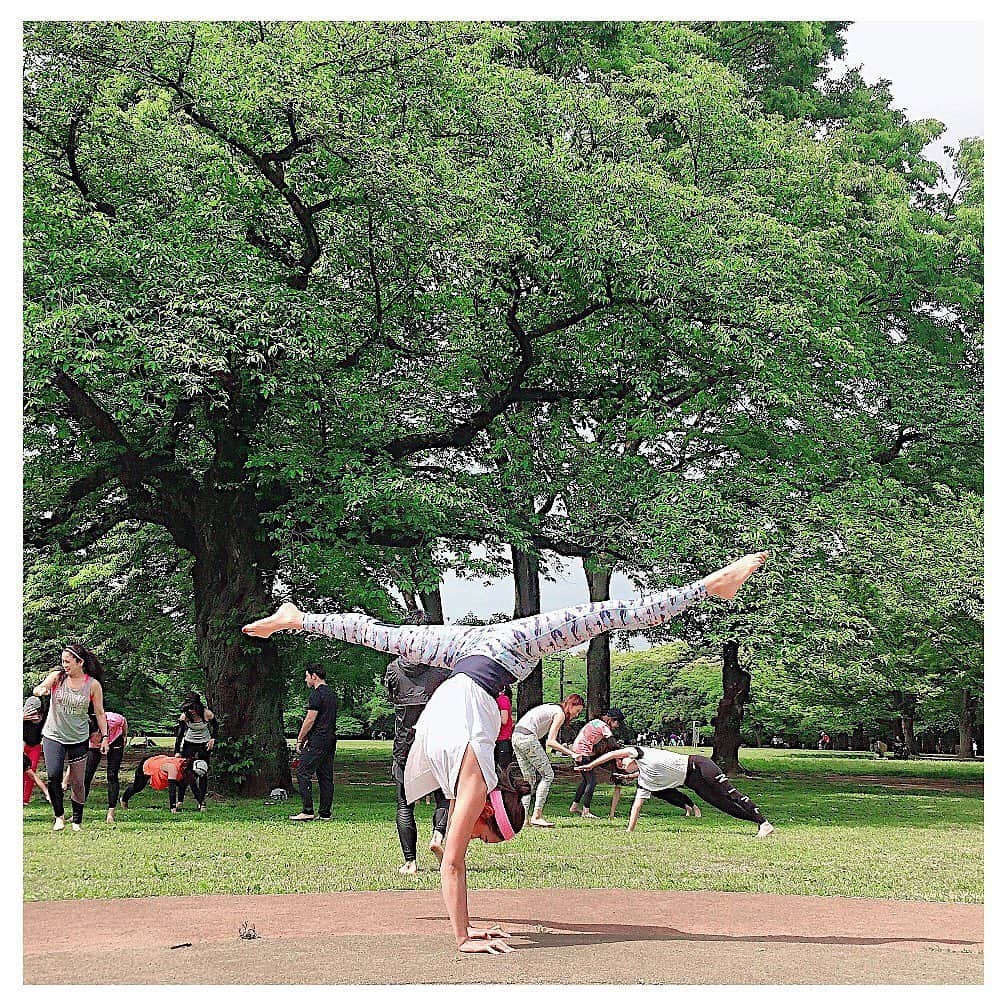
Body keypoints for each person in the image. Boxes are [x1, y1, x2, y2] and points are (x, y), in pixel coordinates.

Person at [243, 552, 769, 954]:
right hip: (503, 651)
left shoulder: (471, 773)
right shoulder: (476, 783)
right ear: (491, 814)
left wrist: (467, 920)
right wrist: (463, 936)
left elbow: (453, 852)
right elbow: (453, 864)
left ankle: (297, 618)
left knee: (382, 636)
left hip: (466, 660)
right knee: (607, 615)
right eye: (482, 831)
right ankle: (710, 586)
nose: (470, 833)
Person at [577, 744, 774, 837]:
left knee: (730, 793)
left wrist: (590, 765)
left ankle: (764, 822)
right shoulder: (644, 780)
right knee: (723, 805)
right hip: (692, 781)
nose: (623, 763)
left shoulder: (639, 752)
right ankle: (761, 825)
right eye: (620, 765)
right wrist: (629, 831)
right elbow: (637, 806)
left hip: (698, 765)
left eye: (623, 760)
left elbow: (612, 753)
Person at [385, 613, 452, 874]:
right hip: (436, 741)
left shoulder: (394, 668)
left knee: (404, 804)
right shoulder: (441, 669)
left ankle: (410, 862)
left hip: (404, 743)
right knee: (444, 797)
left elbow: (392, 696)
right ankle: (437, 836)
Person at [33, 644, 109, 832]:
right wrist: (40, 691)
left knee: (77, 781)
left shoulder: (92, 685)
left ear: (80, 662)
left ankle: (77, 820)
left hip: (78, 737)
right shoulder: (58, 677)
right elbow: (41, 686)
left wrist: (105, 737)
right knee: (53, 775)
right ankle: (59, 817)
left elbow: (99, 713)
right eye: (62, 661)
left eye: (68, 661)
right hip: (54, 735)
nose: (64, 665)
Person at [511, 695, 584, 827]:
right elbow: (551, 741)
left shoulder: (552, 708)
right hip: (527, 738)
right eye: (577, 711)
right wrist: (572, 753)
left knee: (529, 780)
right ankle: (537, 816)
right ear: (570, 705)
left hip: (516, 736)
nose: (577, 715)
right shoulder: (560, 713)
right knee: (548, 775)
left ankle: (522, 818)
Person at [289, 663, 339, 822]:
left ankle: (307, 810)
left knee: (302, 771)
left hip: (317, 740)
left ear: (314, 676)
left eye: (306, 676)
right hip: (330, 739)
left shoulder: (316, 695)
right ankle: (325, 814)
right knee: (325, 776)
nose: (306, 680)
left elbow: (310, 719)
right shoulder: (332, 694)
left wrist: (300, 739)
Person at [568, 708, 626, 818]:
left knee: (586, 780)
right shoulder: (604, 727)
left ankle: (574, 806)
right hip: (582, 752)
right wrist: (621, 755)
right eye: (617, 722)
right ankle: (586, 811)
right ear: (611, 719)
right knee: (592, 781)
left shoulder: (596, 722)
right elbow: (613, 744)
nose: (617, 725)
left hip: (578, 750)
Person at [173, 696, 217, 811]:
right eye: (188, 708)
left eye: (192, 708)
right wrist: (177, 751)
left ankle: (201, 802)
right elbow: (180, 735)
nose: (191, 711)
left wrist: (213, 738)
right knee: (185, 771)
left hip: (204, 744)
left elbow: (215, 727)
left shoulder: (207, 714)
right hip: (189, 743)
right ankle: (180, 800)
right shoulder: (185, 716)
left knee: (202, 771)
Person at [83, 710, 127, 823]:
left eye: (93, 737)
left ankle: (111, 813)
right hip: (94, 748)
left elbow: (123, 721)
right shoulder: (86, 730)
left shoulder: (112, 720)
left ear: (99, 731)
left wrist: (124, 736)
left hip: (115, 741)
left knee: (112, 775)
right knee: (86, 776)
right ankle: (78, 811)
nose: (92, 739)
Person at [120, 753, 204, 812]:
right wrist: (173, 807)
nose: (195, 777)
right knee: (138, 787)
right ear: (189, 770)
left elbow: (195, 787)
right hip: (149, 764)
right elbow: (172, 789)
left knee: (184, 782)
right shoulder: (173, 768)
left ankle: (180, 803)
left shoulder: (188, 769)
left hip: (161, 760)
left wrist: (202, 804)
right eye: (194, 775)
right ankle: (123, 800)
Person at [23, 694, 49, 806]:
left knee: (31, 771)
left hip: (35, 746)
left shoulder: (45, 717)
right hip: (23, 743)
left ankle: (25, 799)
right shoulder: (24, 717)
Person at [494, 685, 515, 769]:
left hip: (503, 739)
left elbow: (504, 719)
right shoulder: (495, 699)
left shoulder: (502, 699)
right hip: (495, 739)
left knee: (504, 768)